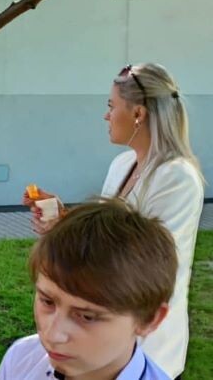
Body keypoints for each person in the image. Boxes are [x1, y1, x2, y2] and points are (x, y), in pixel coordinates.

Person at [23, 63, 203, 377]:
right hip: (95, 331)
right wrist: (63, 222)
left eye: (111, 106)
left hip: (141, 336)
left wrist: (68, 226)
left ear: (138, 114)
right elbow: (105, 236)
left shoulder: (177, 178)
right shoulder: (122, 164)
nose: (106, 116)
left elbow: (146, 260)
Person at [0, 200, 176, 380]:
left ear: (149, 319)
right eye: (47, 301)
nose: (53, 335)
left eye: (87, 317)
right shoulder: (21, 358)